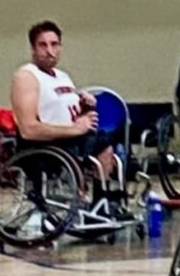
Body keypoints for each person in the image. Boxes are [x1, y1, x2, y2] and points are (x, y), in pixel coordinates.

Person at [9, 20, 112, 174]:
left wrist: (85, 106)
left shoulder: (62, 76)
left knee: (108, 138)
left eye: (54, 44)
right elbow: (28, 130)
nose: (50, 51)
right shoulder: (27, 76)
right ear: (33, 49)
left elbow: (63, 112)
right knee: (101, 143)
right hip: (44, 147)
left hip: (68, 140)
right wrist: (76, 130)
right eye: (43, 45)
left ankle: (102, 195)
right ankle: (92, 193)